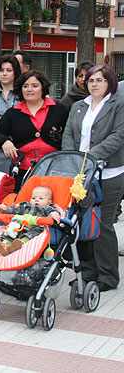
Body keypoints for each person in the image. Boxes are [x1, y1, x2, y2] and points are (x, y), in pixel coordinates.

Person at [62, 65, 124, 291]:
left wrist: (89, 156)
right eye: (91, 80)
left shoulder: (117, 105)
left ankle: (107, 275)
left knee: (103, 224)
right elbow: (68, 133)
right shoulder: (79, 106)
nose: (95, 84)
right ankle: (87, 271)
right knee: (82, 223)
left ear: (110, 83)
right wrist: (72, 158)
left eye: (100, 80)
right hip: (81, 174)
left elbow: (119, 135)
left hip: (108, 173)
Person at [0, 69, 69, 189]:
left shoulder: (59, 110)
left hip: (54, 169)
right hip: (22, 170)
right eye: (25, 86)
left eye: (34, 86)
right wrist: (4, 141)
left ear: (43, 88)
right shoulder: (13, 113)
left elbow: (69, 136)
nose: (29, 90)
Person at [0, 186, 62, 256]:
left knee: (33, 233)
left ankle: (21, 243)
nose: (36, 200)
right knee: (11, 230)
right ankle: (5, 245)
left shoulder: (47, 208)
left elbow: (53, 211)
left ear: (49, 202)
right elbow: (15, 209)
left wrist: (54, 214)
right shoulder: (25, 205)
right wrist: (6, 209)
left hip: (35, 226)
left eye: (41, 198)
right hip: (20, 225)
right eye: (33, 198)